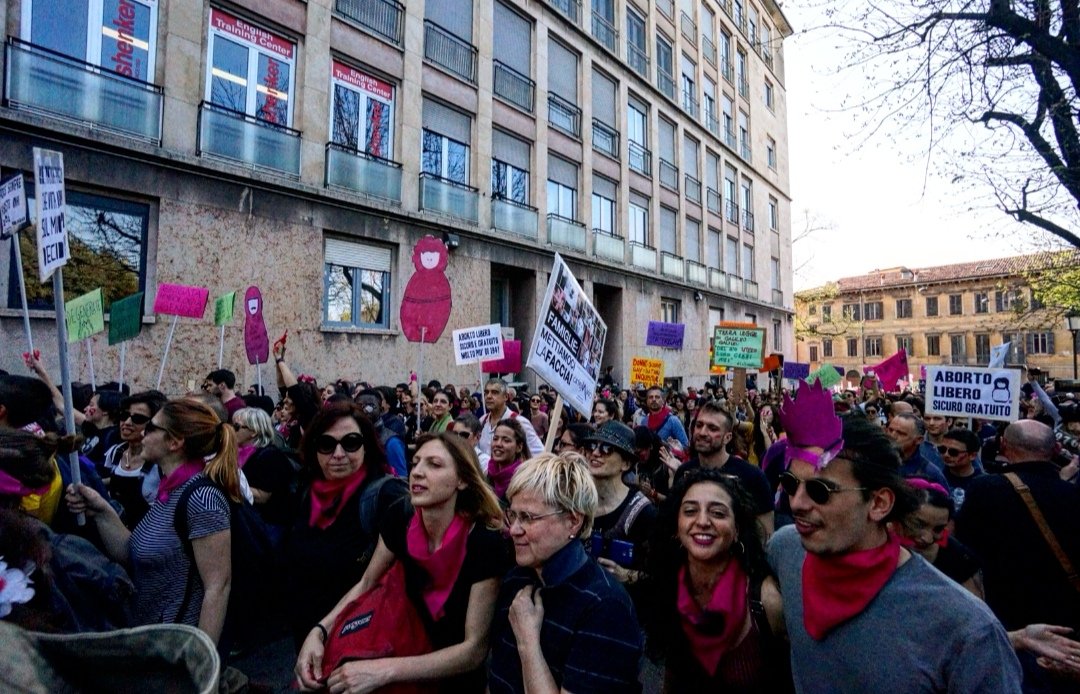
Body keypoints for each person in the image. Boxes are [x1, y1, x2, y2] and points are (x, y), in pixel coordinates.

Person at [767, 383, 1022, 693]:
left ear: (879, 504)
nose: (797, 503)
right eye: (791, 484)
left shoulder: (967, 629)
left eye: (821, 491)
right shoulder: (786, 548)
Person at [295, 432, 507, 692]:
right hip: (399, 649)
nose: (417, 472)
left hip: (451, 681)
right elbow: (367, 583)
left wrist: (384, 670)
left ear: (462, 480)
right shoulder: (400, 516)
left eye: (434, 464)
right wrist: (319, 632)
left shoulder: (486, 542)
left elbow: (473, 649)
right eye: (415, 462)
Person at [65, 399, 238, 646]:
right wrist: (101, 510)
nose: (142, 433)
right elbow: (131, 552)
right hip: (152, 636)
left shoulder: (201, 497)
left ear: (175, 442)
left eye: (151, 427)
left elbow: (217, 587)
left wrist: (200, 659)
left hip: (177, 645)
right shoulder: (171, 489)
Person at [488, 453, 643, 693]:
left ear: (573, 522)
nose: (514, 530)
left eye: (528, 517)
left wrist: (528, 641)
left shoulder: (606, 608)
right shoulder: (517, 578)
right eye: (513, 515)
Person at [955, 420, 1080, 691]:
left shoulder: (984, 490)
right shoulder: (1073, 494)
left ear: (1003, 447)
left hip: (1008, 627)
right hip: (1070, 632)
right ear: (1056, 448)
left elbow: (962, 553)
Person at [647, 468, 788, 691]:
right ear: (676, 527)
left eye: (718, 513)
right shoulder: (669, 589)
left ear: (737, 530)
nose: (702, 521)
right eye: (690, 511)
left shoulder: (767, 601)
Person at [282, 400, 407, 648]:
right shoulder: (309, 491)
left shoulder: (385, 495)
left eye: (350, 443)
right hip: (307, 632)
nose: (338, 454)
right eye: (327, 444)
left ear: (366, 446)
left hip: (362, 638)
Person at [671, 401, 774, 536]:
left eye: (712, 428)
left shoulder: (752, 477)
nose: (702, 432)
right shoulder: (684, 472)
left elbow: (766, 534)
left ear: (727, 437)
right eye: (699, 425)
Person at [582, 421, 657, 599]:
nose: (595, 453)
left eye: (607, 448)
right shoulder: (576, 502)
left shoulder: (644, 513)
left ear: (626, 463)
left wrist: (626, 576)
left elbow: (661, 576)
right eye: (592, 446)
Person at [898, 477, 983, 598]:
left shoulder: (960, 561)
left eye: (938, 529)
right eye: (918, 524)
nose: (927, 538)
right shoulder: (870, 544)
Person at [102, 390, 169, 529]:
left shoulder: (161, 463)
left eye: (138, 418)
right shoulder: (115, 453)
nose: (126, 422)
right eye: (124, 415)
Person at [232, 406, 297, 537]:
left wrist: (229, 483)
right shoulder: (238, 453)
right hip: (250, 521)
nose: (232, 430)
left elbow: (262, 497)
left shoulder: (270, 456)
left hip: (268, 525)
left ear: (253, 432)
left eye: (237, 427)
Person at [478, 379, 544, 459]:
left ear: (506, 397)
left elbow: (540, 455)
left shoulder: (520, 422)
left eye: (494, 392)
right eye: (486, 392)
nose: (488, 396)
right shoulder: (482, 421)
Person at [884, 413, 950, 490]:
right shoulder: (875, 461)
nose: (892, 436)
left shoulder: (931, 474)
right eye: (890, 430)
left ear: (918, 440)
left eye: (901, 433)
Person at [936, 427, 984, 513]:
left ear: (972, 455)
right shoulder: (935, 477)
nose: (946, 455)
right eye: (942, 449)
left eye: (953, 452)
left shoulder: (983, 484)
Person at [487, 419, 528, 501]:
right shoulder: (488, 474)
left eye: (506, 440)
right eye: (495, 439)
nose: (498, 444)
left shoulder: (523, 482)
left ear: (519, 447)